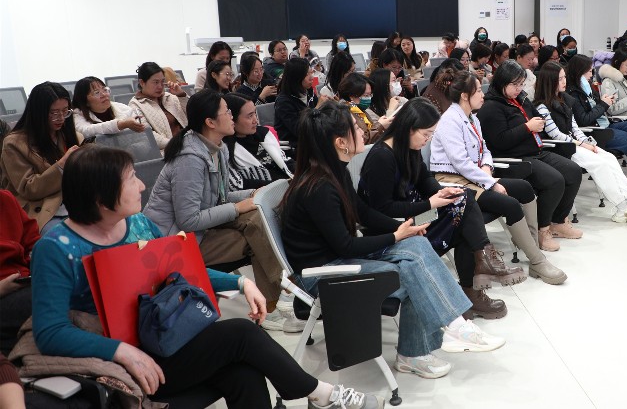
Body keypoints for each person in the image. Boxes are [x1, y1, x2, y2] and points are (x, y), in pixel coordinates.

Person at [32, 145, 381, 409]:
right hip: (123, 358)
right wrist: (121, 351)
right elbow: (50, 333)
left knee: (243, 373)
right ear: (101, 198)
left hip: (161, 336)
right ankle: (319, 393)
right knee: (241, 333)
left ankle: (316, 394)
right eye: (131, 179)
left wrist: (240, 282)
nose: (141, 185)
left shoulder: (136, 224)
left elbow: (180, 271)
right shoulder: (57, 248)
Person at [281, 102, 505, 379]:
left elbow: (363, 213)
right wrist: (396, 235)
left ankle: (447, 330)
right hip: (323, 274)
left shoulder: (334, 172)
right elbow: (345, 245)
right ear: (341, 142)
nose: (363, 132)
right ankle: (430, 342)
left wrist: (403, 229)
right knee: (414, 273)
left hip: (339, 259)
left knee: (417, 247)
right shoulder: (319, 187)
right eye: (356, 129)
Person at [142, 90, 297, 332]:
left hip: (199, 233)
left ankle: (277, 300)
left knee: (258, 220)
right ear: (210, 122)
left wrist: (251, 195)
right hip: (176, 243)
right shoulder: (190, 159)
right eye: (227, 112)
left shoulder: (217, 147)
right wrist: (237, 207)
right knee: (257, 232)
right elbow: (189, 219)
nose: (232, 116)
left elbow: (219, 198)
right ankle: (280, 299)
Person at [359, 99, 526, 319]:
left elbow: (424, 179)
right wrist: (430, 203)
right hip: (395, 228)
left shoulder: (408, 147)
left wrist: (442, 192)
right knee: (464, 210)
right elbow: (383, 209)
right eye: (426, 134)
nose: (428, 140)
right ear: (409, 128)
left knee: (462, 200)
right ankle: (477, 280)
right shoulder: (382, 156)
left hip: (414, 217)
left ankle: (479, 270)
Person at [432, 72, 567, 285]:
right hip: (454, 181)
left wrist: (487, 167)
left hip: (474, 177)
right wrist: (491, 183)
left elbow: (485, 149)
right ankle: (538, 261)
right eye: (478, 90)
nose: (482, 94)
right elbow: (460, 163)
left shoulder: (472, 117)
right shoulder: (450, 120)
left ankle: (532, 248)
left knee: (525, 188)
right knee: (510, 204)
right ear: (465, 95)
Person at [476, 61, 583, 251]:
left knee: (573, 171)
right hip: (513, 159)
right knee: (554, 181)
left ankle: (558, 221)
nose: (519, 88)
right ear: (502, 82)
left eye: (521, 84)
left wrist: (540, 122)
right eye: (515, 84)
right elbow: (499, 142)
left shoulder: (521, 99)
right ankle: (542, 230)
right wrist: (527, 127)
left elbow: (536, 117)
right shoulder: (491, 107)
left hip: (535, 152)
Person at [534, 63, 627, 223]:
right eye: (560, 79)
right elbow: (556, 135)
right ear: (550, 81)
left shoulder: (565, 100)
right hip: (561, 148)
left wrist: (588, 142)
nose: (564, 81)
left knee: (609, 158)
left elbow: (574, 128)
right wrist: (581, 144)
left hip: (575, 144)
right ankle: (622, 206)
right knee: (599, 164)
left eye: (564, 77)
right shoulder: (541, 106)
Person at [1, 82, 81, 234]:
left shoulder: (70, 135)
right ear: (38, 112)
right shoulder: (15, 143)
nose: (61, 118)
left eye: (65, 111)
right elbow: (29, 188)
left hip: (76, 201)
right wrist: (61, 166)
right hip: (42, 207)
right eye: (54, 113)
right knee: (67, 236)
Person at [223, 94, 292, 191]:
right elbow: (239, 184)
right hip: (267, 194)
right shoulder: (226, 150)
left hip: (288, 185)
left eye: (255, 113)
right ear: (232, 119)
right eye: (250, 116)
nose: (255, 120)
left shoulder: (263, 134)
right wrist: (283, 185)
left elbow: (284, 160)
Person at [0, 189, 39, 354]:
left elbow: (33, 242)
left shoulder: (5, 199)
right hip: (5, 292)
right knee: (44, 299)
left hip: (24, 280)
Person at [129, 62, 189, 151]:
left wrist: (181, 95)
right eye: (156, 82)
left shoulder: (170, 97)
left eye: (162, 82)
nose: (160, 86)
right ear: (142, 82)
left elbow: (193, 115)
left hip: (189, 143)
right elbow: (147, 135)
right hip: (168, 151)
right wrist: (176, 144)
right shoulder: (136, 105)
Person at [71, 76, 145, 139]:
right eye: (97, 92)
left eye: (105, 90)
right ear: (85, 101)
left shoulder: (123, 108)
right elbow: (86, 131)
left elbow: (143, 137)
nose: (104, 95)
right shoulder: (77, 115)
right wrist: (121, 124)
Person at [273, 58, 322, 152]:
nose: (312, 77)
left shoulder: (308, 91)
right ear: (296, 77)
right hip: (294, 148)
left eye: (311, 72)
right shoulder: (284, 102)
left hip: (312, 141)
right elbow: (300, 131)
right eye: (307, 74)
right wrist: (318, 108)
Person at [338, 73, 391, 143]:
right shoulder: (343, 113)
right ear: (351, 95)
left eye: (370, 95)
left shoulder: (360, 110)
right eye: (366, 95)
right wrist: (380, 125)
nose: (369, 98)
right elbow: (360, 140)